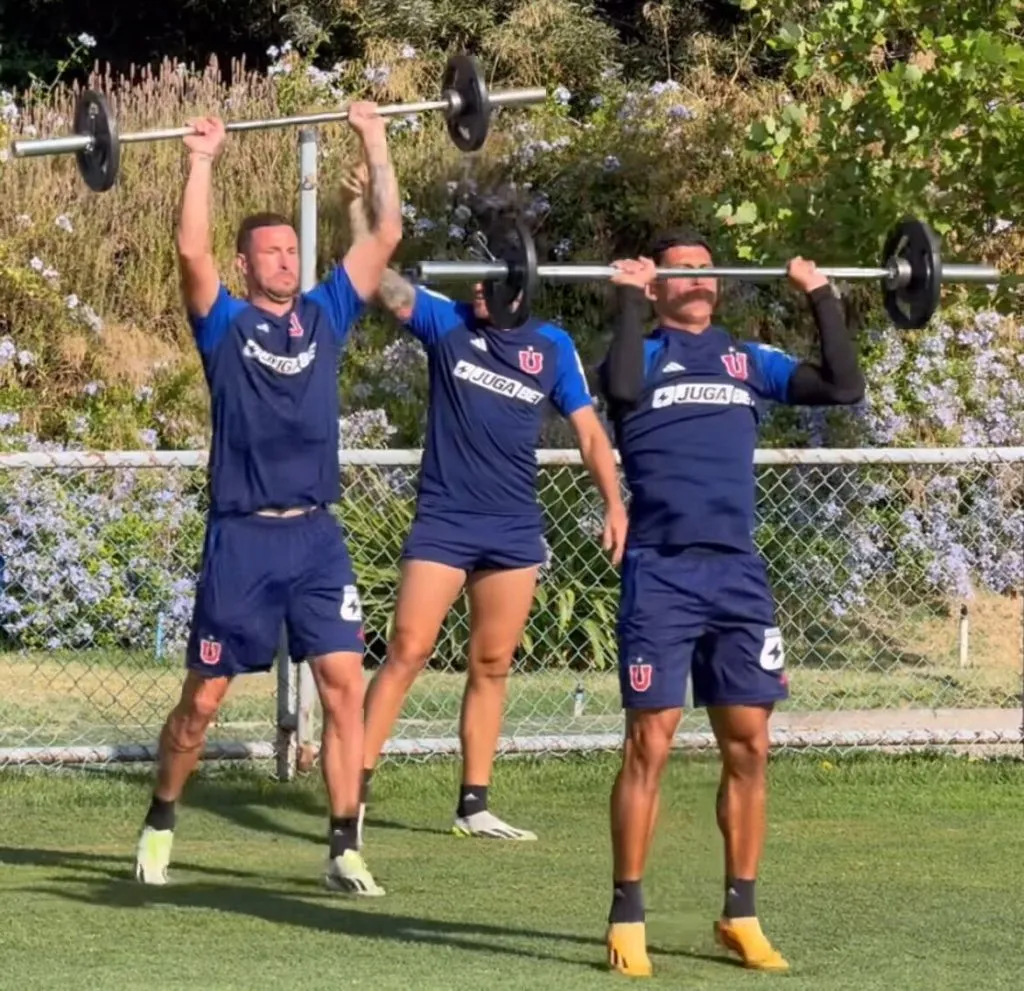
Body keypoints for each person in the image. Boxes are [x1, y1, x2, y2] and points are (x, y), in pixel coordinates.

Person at [132, 105, 402, 896]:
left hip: (317, 537)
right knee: (203, 701)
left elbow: (382, 237)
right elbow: (189, 248)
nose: (286, 260)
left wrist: (375, 139)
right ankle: (160, 817)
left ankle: (345, 844)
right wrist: (202, 161)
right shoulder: (223, 327)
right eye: (271, 253)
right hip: (242, 541)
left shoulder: (325, 315)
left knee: (345, 685)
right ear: (246, 267)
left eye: (291, 249)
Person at [597, 231, 865, 976]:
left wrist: (820, 295)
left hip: (738, 577)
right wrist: (625, 298)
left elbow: (843, 386)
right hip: (662, 572)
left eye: (706, 268)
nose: (699, 278)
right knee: (649, 742)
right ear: (656, 289)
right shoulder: (640, 355)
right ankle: (627, 914)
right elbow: (616, 391)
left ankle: (740, 911)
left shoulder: (750, 360)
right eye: (681, 270)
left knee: (749, 743)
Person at [342, 166, 628, 842]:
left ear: (513, 283)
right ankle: (350, 787)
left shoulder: (551, 347)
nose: (472, 284)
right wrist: (359, 210)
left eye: (484, 274)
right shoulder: (446, 325)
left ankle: (473, 803)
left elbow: (589, 432)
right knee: (408, 649)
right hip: (445, 521)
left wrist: (614, 503)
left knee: (492, 663)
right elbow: (379, 281)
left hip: (512, 527)